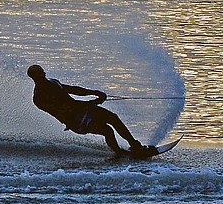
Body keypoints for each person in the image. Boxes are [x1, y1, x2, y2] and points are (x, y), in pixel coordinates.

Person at [26, 64, 156, 157]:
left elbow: (74, 90)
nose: (43, 74)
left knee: (113, 118)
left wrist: (95, 93)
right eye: (40, 73)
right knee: (107, 130)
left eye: (43, 71)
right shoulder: (39, 98)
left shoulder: (53, 82)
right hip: (76, 121)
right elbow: (63, 111)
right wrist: (92, 103)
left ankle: (135, 146)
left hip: (84, 110)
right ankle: (119, 153)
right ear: (34, 77)